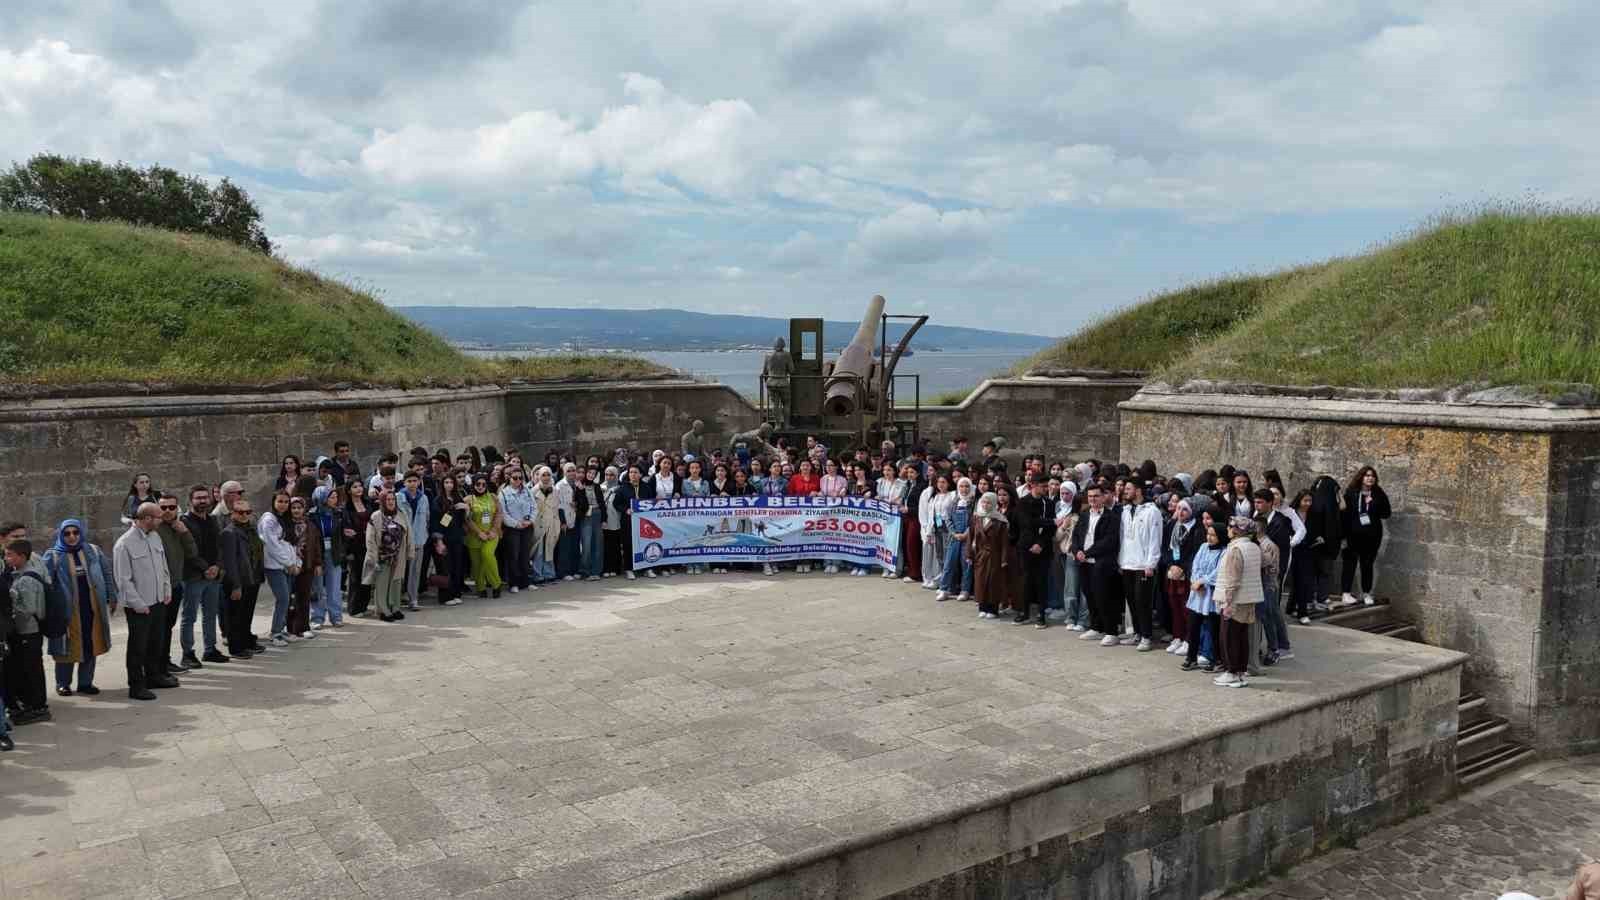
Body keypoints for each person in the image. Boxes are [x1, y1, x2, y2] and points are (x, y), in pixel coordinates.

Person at [43, 519, 118, 695]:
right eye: (67, 533)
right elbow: (46, 584)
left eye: (75, 533)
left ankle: (85, 682)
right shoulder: (53, 555)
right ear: (61, 535)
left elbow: (106, 573)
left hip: (91, 607)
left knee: (90, 643)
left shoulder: (92, 550)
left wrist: (112, 595)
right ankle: (63, 683)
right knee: (66, 647)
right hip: (67, 611)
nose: (71, 537)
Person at [112, 502, 177, 701]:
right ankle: (136, 685)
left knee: (156, 643)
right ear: (147, 518)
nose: (162, 519)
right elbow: (123, 580)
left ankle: (154, 676)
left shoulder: (155, 537)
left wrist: (166, 590)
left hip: (158, 601)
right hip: (140, 606)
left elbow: (163, 566)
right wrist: (139, 604)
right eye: (158, 516)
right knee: (138, 647)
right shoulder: (124, 544)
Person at [179, 485, 227, 667]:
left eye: (205, 497)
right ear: (190, 501)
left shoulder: (213, 520)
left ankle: (210, 649)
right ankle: (188, 654)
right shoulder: (184, 522)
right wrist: (206, 568)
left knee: (210, 614)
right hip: (193, 576)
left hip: (213, 576)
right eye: (198, 498)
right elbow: (188, 551)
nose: (203, 501)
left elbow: (219, 546)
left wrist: (217, 566)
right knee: (189, 616)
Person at [4, 540, 51, 722]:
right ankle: (32, 704)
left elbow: (29, 609)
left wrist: (12, 607)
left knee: (32, 669)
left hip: (29, 632)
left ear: (22, 556)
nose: (7, 558)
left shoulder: (27, 579)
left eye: (10, 555)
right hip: (25, 632)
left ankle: (39, 707)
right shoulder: (18, 576)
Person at [1214, 517, 1263, 688]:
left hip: (1235, 600)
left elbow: (1233, 578)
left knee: (1229, 636)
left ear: (1235, 530)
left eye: (1230, 526)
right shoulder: (1254, 547)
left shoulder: (1236, 549)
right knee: (1241, 636)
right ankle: (1240, 672)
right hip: (1249, 598)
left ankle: (1231, 671)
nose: (1228, 529)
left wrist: (1228, 601)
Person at [1070, 483, 1121, 646]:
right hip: (1084, 562)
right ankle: (1096, 627)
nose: (1092, 499)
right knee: (1090, 595)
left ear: (1103, 497)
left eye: (1096, 496)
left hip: (1102, 563)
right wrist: (1077, 551)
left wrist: (1088, 553)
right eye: (1090, 496)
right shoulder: (1084, 514)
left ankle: (1111, 631)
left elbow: (1109, 541)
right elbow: (1077, 535)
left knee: (1104, 596)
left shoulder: (1111, 517)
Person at [1117, 479, 1162, 651]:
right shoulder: (1126, 510)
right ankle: (1136, 633)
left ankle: (1147, 636)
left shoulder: (1152, 511)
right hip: (1127, 562)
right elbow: (1122, 537)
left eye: (1128, 488)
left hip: (1144, 565)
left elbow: (1154, 539)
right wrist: (1120, 561)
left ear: (1138, 490)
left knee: (1142, 601)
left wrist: (1151, 563)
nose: (1124, 491)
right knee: (1131, 601)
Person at [154, 494, 196, 673]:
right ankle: (158, 664)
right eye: (163, 508)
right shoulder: (155, 528)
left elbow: (192, 553)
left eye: (171, 507)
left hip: (176, 585)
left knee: (168, 626)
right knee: (159, 628)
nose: (168, 511)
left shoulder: (179, 527)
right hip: (160, 587)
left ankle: (165, 660)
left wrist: (184, 532)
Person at [1340, 466, 1391, 606]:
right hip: (1352, 536)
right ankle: (1346, 593)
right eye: (1367, 475)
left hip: (1372, 537)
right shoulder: (1351, 493)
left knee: (1367, 565)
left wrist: (1374, 502)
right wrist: (1343, 537)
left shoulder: (1378, 493)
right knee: (1349, 564)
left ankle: (1366, 593)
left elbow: (1386, 513)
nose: (1370, 478)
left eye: (1373, 475)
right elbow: (1344, 515)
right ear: (1361, 477)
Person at [1180, 521, 1227, 672]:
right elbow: (1196, 565)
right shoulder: (1203, 547)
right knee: (1193, 627)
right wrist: (1195, 582)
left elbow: (1218, 572)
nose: (1210, 537)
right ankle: (1191, 657)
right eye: (1208, 534)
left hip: (1211, 595)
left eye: (1213, 535)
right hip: (1198, 594)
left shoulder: (1224, 551)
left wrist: (1202, 582)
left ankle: (1217, 660)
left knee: (1213, 629)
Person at [218, 497, 261, 658]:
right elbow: (230, 562)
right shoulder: (229, 532)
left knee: (246, 614)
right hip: (238, 581)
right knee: (234, 616)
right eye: (240, 512)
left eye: (247, 512)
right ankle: (236, 648)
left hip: (252, 578)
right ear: (232, 514)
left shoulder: (250, 529)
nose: (244, 515)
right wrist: (236, 585)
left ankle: (246, 641)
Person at [257, 491, 300, 646]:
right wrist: (288, 563)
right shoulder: (269, 520)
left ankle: (281, 630)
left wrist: (294, 562)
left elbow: (289, 543)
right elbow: (272, 545)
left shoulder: (284, 519)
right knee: (283, 598)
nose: (283, 504)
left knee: (286, 599)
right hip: (274, 566)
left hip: (287, 565)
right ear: (274, 502)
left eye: (286, 502)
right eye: (280, 501)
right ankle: (275, 633)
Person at [1162, 498, 1204, 655]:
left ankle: (1189, 639)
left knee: (1187, 608)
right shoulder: (1172, 526)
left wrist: (1183, 568)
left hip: (1187, 574)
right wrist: (1171, 565)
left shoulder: (1197, 529)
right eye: (1178, 508)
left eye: (1184, 509)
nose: (1180, 512)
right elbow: (1165, 548)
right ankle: (1177, 636)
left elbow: (1195, 552)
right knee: (1174, 606)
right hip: (1172, 572)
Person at [1013, 475, 1055, 628]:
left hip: (1043, 548)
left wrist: (1040, 543)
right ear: (1034, 486)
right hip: (1026, 546)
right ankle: (1024, 612)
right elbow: (1026, 523)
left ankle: (1041, 613)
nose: (1046, 489)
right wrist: (1032, 543)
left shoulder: (1048, 503)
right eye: (1043, 486)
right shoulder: (1023, 502)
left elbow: (1051, 528)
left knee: (1041, 581)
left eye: (1047, 486)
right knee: (1026, 580)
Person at [365, 491, 412, 622]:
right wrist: (372, 557)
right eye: (388, 500)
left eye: (393, 499)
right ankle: (382, 610)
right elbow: (370, 539)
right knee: (382, 584)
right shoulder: (376, 516)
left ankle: (395, 608)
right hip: (382, 556)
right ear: (382, 501)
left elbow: (409, 533)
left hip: (398, 556)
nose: (391, 502)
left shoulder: (401, 514)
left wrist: (410, 551)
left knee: (396, 583)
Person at [968, 492, 1010, 620]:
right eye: (983, 502)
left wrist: (1004, 559)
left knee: (993, 582)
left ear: (994, 504)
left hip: (994, 555)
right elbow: (971, 537)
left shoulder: (1000, 520)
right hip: (980, 555)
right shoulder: (977, 518)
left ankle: (993, 608)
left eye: (988, 503)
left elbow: (1004, 543)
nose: (985, 505)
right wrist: (969, 555)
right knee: (980, 581)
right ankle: (982, 606)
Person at [310, 486, 346, 627]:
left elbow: (341, 534)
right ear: (322, 498)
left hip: (334, 553)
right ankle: (317, 618)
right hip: (317, 554)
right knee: (317, 586)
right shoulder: (312, 516)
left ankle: (336, 616)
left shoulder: (338, 513)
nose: (335, 500)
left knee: (334, 586)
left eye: (336, 497)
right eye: (331, 497)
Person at [285, 496, 320, 640]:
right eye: (293, 508)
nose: (296, 510)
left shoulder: (310, 526)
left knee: (304, 597)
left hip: (307, 565)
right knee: (289, 598)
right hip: (290, 566)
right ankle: (291, 628)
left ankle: (304, 627)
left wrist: (318, 563)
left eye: (299, 508)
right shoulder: (285, 525)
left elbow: (317, 546)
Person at [497, 466, 535, 593]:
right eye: (515, 478)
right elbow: (503, 513)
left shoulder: (527, 491)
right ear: (509, 479)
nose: (518, 480)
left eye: (520, 478)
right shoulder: (503, 493)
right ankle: (514, 583)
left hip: (527, 526)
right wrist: (516, 524)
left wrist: (530, 521)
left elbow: (534, 507)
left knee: (525, 555)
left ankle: (526, 581)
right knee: (513, 556)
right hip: (512, 528)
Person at [397, 471, 431, 611]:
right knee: (398, 570)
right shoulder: (398, 497)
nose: (412, 484)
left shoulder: (423, 498)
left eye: (415, 481)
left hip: (418, 539)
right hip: (402, 540)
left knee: (415, 571)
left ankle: (413, 599)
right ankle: (396, 598)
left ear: (419, 482)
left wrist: (424, 534)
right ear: (404, 482)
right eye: (409, 481)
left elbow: (427, 518)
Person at [465, 473, 504, 597]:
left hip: (491, 535)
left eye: (483, 484)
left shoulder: (493, 497)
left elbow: (499, 514)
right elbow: (467, 519)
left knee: (487, 554)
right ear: (473, 484)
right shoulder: (468, 500)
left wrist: (494, 530)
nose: (480, 487)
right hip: (475, 536)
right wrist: (479, 532)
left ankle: (496, 584)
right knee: (477, 564)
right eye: (478, 484)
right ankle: (480, 588)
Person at [936, 478, 975, 601]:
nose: (964, 489)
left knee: (966, 565)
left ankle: (965, 590)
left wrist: (966, 534)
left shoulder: (973, 503)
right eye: (961, 486)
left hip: (967, 538)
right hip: (954, 538)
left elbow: (974, 522)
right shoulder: (954, 502)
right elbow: (947, 519)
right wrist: (953, 533)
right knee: (949, 563)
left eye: (967, 486)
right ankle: (944, 589)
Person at [918, 473, 950, 590]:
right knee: (936, 555)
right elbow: (930, 515)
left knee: (943, 556)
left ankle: (941, 580)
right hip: (935, 528)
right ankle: (930, 578)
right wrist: (929, 530)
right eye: (939, 482)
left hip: (947, 529)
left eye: (943, 482)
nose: (940, 485)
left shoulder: (951, 495)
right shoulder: (934, 496)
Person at [531, 467, 561, 585]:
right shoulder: (534, 491)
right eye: (543, 475)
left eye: (548, 474)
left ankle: (549, 573)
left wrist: (557, 523)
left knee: (549, 549)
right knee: (538, 551)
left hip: (551, 523)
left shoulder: (555, 490)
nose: (546, 477)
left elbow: (557, 508)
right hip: (539, 524)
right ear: (539, 476)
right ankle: (537, 574)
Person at [579, 465, 605, 580]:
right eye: (589, 472)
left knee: (598, 544)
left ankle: (596, 571)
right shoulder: (579, 486)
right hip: (586, 516)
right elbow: (581, 504)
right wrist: (580, 490)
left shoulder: (597, 486)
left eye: (593, 474)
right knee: (587, 544)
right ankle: (585, 571)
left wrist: (604, 519)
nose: (591, 475)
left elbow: (602, 503)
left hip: (597, 514)